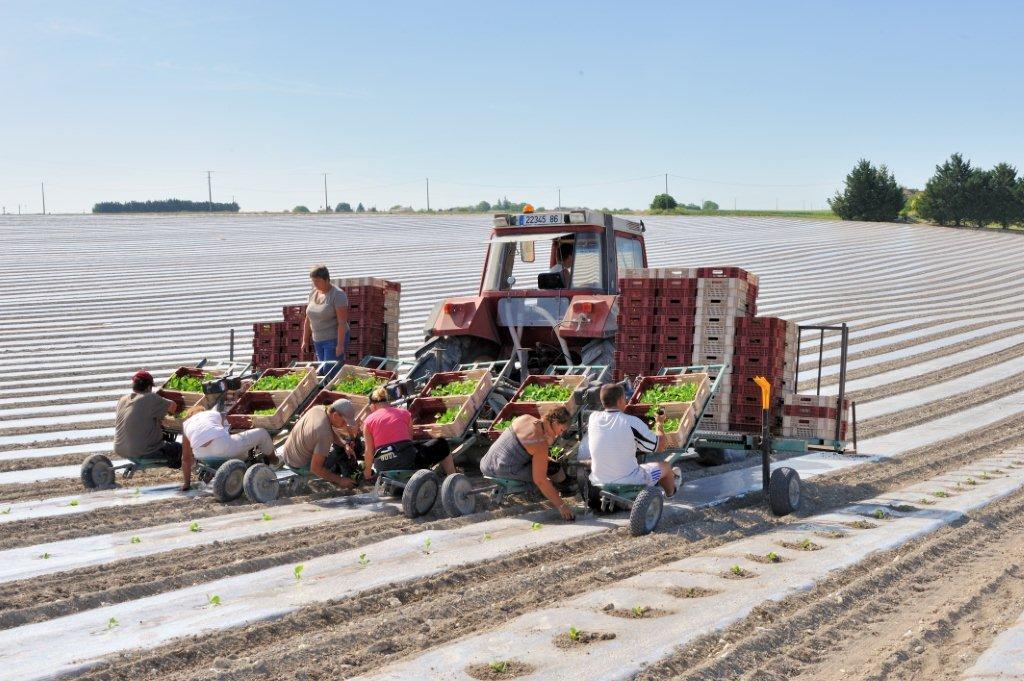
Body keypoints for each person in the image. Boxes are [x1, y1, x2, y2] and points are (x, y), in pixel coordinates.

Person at [579, 383, 677, 497]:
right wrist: (659, 423)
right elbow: (660, 447)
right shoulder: (631, 422)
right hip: (629, 481)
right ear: (621, 400)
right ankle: (671, 494)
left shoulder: (593, 418)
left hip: (598, 480)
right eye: (625, 398)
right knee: (665, 466)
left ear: (602, 401)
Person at [479, 407, 575, 522]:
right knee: (552, 469)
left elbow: (521, 446)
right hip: (502, 469)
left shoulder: (526, 418)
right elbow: (540, 479)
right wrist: (562, 506)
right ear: (555, 423)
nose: (560, 434)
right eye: (562, 430)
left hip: (486, 463)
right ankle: (563, 487)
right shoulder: (540, 442)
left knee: (545, 462)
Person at [362, 386, 455, 481]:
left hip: (383, 467)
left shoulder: (368, 421)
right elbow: (409, 439)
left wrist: (367, 472)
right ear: (388, 402)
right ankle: (452, 477)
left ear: (372, 406)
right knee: (442, 443)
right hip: (407, 463)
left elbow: (369, 451)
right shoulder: (404, 413)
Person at [180, 405, 277, 491]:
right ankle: (274, 461)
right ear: (203, 411)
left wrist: (187, 483)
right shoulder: (212, 413)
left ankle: (214, 470)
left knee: (221, 450)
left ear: (190, 416)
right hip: (222, 446)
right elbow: (228, 425)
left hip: (201, 455)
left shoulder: (186, 425)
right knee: (262, 433)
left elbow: (186, 458)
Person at [279, 398, 361, 490]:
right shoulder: (324, 434)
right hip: (299, 466)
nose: (345, 425)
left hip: (288, 455)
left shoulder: (319, 409)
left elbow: (330, 431)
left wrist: (344, 444)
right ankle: (348, 480)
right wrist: (340, 480)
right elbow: (316, 469)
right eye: (344, 422)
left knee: (341, 447)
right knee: (340, 453)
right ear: (335, 415)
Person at [113, 369, 182, 470]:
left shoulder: (123, 399)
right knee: (179, 448)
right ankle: (186, 471)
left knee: (163, 439)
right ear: (149, 387)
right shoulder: (150, 398)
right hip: (141, 451)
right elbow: (173, 406)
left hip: (120, 448)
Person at [300, 265, 349, 374]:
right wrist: (305, 340)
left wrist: (340, 345)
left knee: (329, 371)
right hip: (318, 339)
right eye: (313, 281)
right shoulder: (313, 293)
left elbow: (342, 322)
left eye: (317, 281)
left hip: (333, 339)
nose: (315, 284)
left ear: (327, 280)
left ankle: (331, 390)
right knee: (320, 371)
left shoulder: (338, 295)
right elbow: (308, 317)